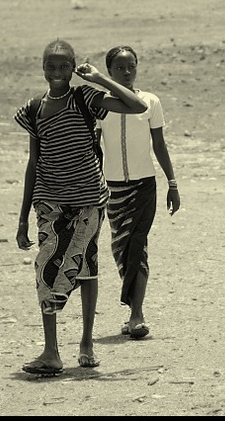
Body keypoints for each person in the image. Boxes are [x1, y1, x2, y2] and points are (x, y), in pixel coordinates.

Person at [14, 39, 148, 376]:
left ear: (73, 67)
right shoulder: (34, 108)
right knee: (45, 269)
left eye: (64, 66)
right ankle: (51, 352)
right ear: (42, 68)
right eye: (51, 66)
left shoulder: (85, 98)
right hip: (49, 202)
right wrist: (21, 218)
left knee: (86, 268)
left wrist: (100, 78)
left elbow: (136, 106)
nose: (57, 72)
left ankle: (86, 342)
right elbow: (33, 162)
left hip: (88, 200)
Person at [96, 45, 181, 341]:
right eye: (120, 68)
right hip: (112, 187)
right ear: (109, 71)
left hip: (145, 185)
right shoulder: (101, 103)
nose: (127, 71)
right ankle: (133, 308)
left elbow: (160, 145)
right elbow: (94, 147)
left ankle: (137, 315)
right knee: (120, 248)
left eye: (131, 66)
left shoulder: (150, 101)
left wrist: (172, 183)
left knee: (138, 246)